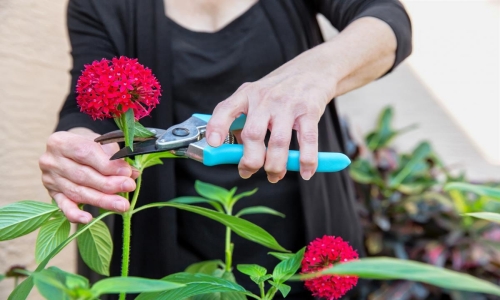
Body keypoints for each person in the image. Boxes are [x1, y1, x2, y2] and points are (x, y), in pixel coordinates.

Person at [39, 0, 412, 298]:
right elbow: (86, 103)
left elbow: (387, 21)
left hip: (296, 248)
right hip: (160, 259)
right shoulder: (97, 4)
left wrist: (315, 72)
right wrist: (76, 148)